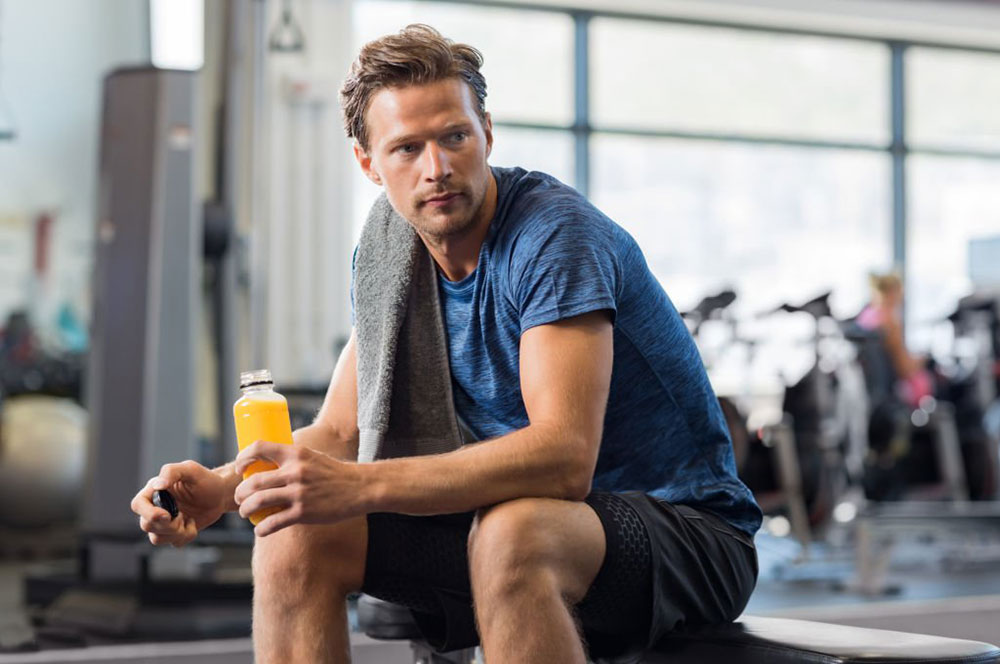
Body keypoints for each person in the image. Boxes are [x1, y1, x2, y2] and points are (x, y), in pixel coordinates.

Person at [130, 24, 761, 664]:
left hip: (687, 535)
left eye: (454, 137)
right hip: (512, 522)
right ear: (368, 163)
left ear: (485, 131)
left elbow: (563, 461)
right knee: (294, 535)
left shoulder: (554, 237)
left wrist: (360, 486)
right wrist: (226, 483)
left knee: (514, 531)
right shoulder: (388, 251)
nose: (437, 168)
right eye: (406, 148)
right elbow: (340, 433)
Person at [855, 272, 933, 409]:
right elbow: (905, 369)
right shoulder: (890, 322)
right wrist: (923, 359)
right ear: (893, 292)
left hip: (869, 391)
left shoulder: (866, 316)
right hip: (895, 391)